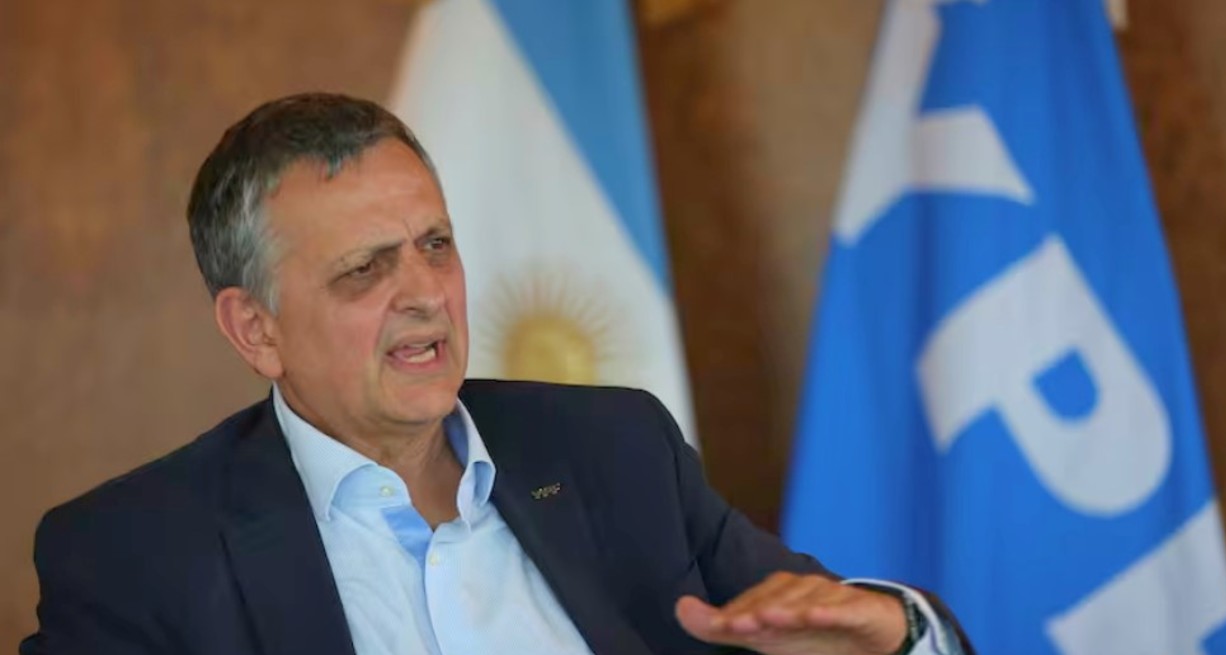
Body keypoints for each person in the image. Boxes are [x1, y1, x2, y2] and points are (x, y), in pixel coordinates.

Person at [21, 93, 972, 655]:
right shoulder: (134, 554)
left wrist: (897, 630)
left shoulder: (615, 450)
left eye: (435, 244)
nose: (425, 293)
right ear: (255, 328)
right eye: (365, 269)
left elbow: (823, 625)